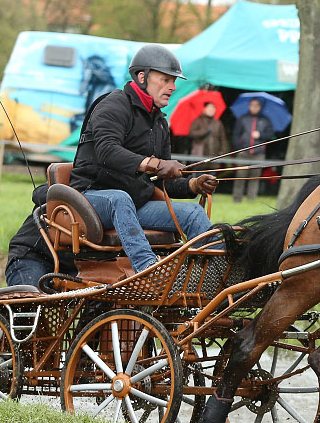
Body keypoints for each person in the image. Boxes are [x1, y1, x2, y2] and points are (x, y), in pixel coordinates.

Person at [69, 44, 218, 273]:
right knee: (119, 199)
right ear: (142, 77)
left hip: (134, 203)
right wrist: (155, 164)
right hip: (91, 197)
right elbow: (107, 151)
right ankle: (149, 269)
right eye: (166, 80)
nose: (173, 87)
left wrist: (193, 184)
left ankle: (214, 275)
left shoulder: (159, 121)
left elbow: (162, 180)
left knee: (194, 214)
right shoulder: (113, 105)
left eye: (174, 81)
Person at [5, 185, 76, 287]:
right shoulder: (72, 183)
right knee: (33, 300)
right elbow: (41, 193)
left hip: (70, 267)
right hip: (32, 256)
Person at [231, 98, 274, 202]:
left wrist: (260, 135)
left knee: (255, 177)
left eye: (256, 105)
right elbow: (236, 135)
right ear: (249, 106)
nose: (254, 108)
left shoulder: (265, 120)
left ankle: (251, 199)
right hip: (243, 153)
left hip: (258, 153)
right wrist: (239, 149)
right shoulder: (242, 119)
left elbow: (271, 135)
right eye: (252, 105)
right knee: (240, 177)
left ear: (259, 107)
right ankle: (237, 199)